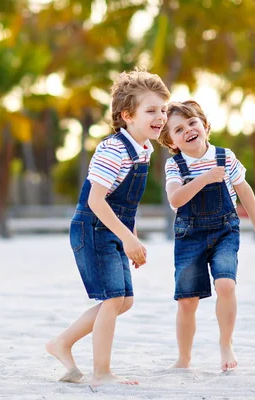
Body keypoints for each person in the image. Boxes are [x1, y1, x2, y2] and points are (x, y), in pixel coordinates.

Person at [46, 69, 170, 387]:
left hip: (114, 231)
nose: (161, 117)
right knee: (113, 299)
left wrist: (133, 239)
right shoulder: (113, 149)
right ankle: (101, 373)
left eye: (163, 110)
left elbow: (127, 204)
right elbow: (96, 202)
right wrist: (126, 238)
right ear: (126, 115)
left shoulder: (144, 149)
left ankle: (61, 343)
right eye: (151, 111)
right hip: (93, 229)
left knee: (123, 301)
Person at [157, 100, 255, 372]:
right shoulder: (175, 165)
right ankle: (184, 357)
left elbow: (244, 191)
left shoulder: (225, 157)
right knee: (187, 301)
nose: (187, 130)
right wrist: (205, 178)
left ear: (204, 125)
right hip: (190, 234)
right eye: (178, 129)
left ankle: (225, 343)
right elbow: (175, 199)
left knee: (225, 285)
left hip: (224, 230)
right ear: (172, 141)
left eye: (191, 123)